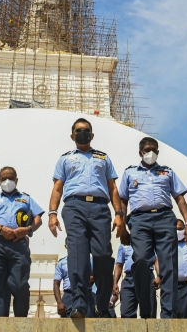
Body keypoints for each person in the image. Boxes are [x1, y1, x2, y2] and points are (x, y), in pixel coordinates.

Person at [48, 118, 125, 318]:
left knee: (102, 256)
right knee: (78, 258)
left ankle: (102, 302)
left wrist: (119, 214)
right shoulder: (65, 159)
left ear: (92, 134)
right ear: (72, 135)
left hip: (100, 207)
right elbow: (57, 189)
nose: (82, 132)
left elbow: (113, 188)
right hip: (74, 207)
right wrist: (52, 214)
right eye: (78, 130)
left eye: (86, 130)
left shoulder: (103, 158)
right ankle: (79, 305)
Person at [118, 137, 187, 318]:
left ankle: (168, 313)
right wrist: (121, 226)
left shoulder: (167, 172)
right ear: (140, 152)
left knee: (168, 265)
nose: (151, 153)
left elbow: (180, 198)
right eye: (147, 150)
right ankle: (146, 306)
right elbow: (122, 200)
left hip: (165, 217)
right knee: (142, 260)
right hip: (139, 219)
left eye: (154, 150)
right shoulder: (130, 173)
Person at [0, 166, 45, 317]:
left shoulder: (26, 198)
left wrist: (28, 230)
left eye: (11, 178)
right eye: (4, 179)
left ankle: (21, 318)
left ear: (16, 180)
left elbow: (38, 219)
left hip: (18, 244)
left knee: (19, 283)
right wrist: (1, 229)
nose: (7, 181)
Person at [112, 233, 158, 318]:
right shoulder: (123, 245)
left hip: (146, 277)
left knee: (149, 313)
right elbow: (119, 265)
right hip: (129, 279)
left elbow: (156, 260)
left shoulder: (148, 242)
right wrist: (115, 283)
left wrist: (159, 276)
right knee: (126, 313)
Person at [53, 238, 97, 318]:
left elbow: (99, 276)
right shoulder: (62, 263)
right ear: (66, 246)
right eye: (69, 245)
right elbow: (56, 284)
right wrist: (59, 302)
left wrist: (87, 279)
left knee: (88, 322)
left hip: (86, 294)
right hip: (68, 295)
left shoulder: (89, 261)